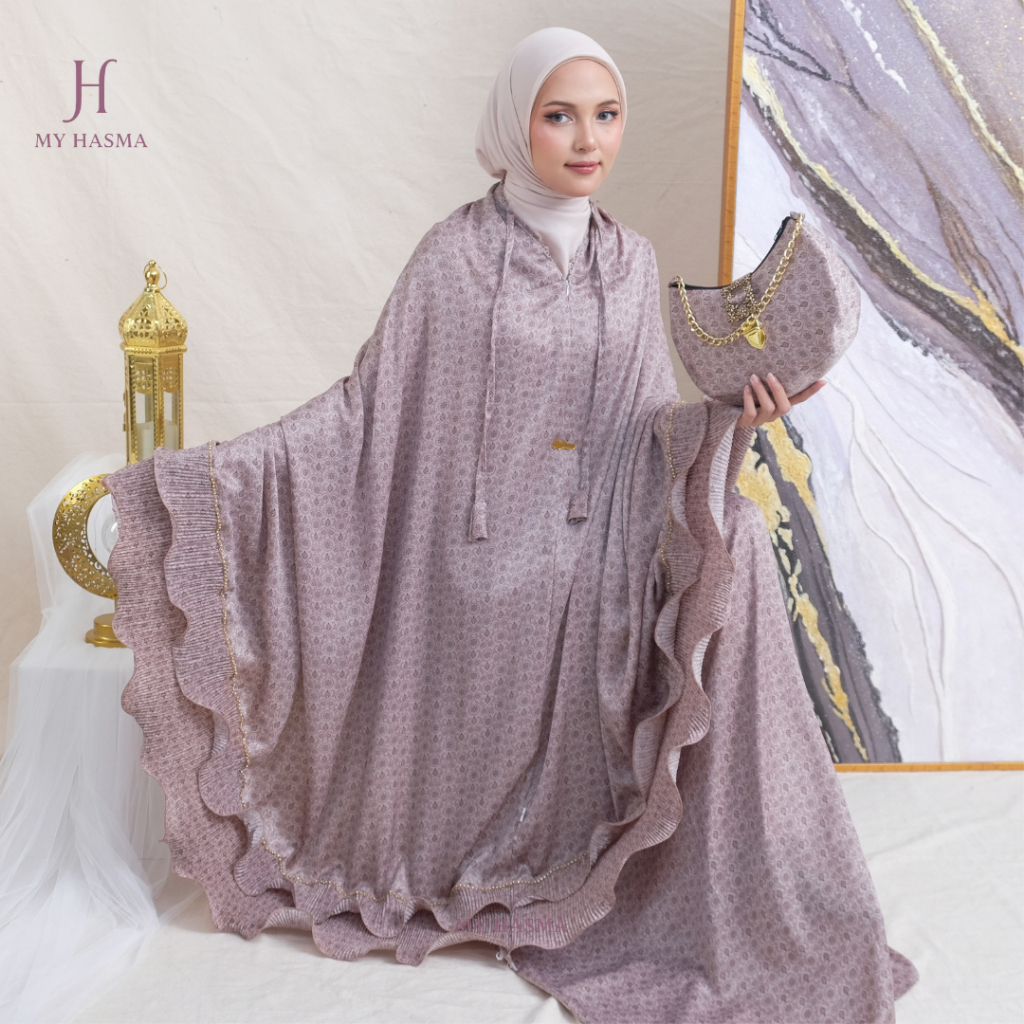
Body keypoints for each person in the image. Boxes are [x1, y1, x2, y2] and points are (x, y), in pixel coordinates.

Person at [106, 27, 916, 1023]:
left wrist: (729, 419)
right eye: (560, 116)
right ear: (514, 125)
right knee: (671, 554)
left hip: (597, 538)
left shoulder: (630, 263)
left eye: (605, 116)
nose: (588, 139)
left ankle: (751, 880)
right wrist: (206, 483)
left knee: (738, 539)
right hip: (462, 552)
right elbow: (369, 415)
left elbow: (639, 432)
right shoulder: (452, 258)